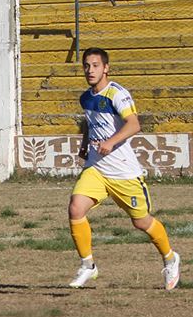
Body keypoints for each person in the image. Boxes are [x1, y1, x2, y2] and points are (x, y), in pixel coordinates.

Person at [68, 48, 181, 290]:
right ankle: (88, 265)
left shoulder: (117, 94)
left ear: (106, 68)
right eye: (86, 65)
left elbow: (134, 124)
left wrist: (110, 142)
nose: (90, 70)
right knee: (76, 208)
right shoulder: (85, 98)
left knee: (141, 222)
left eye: (95, 65)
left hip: (123, 172)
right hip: (97, 168)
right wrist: (85, 145)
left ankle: (170, 258)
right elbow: (91, 124)